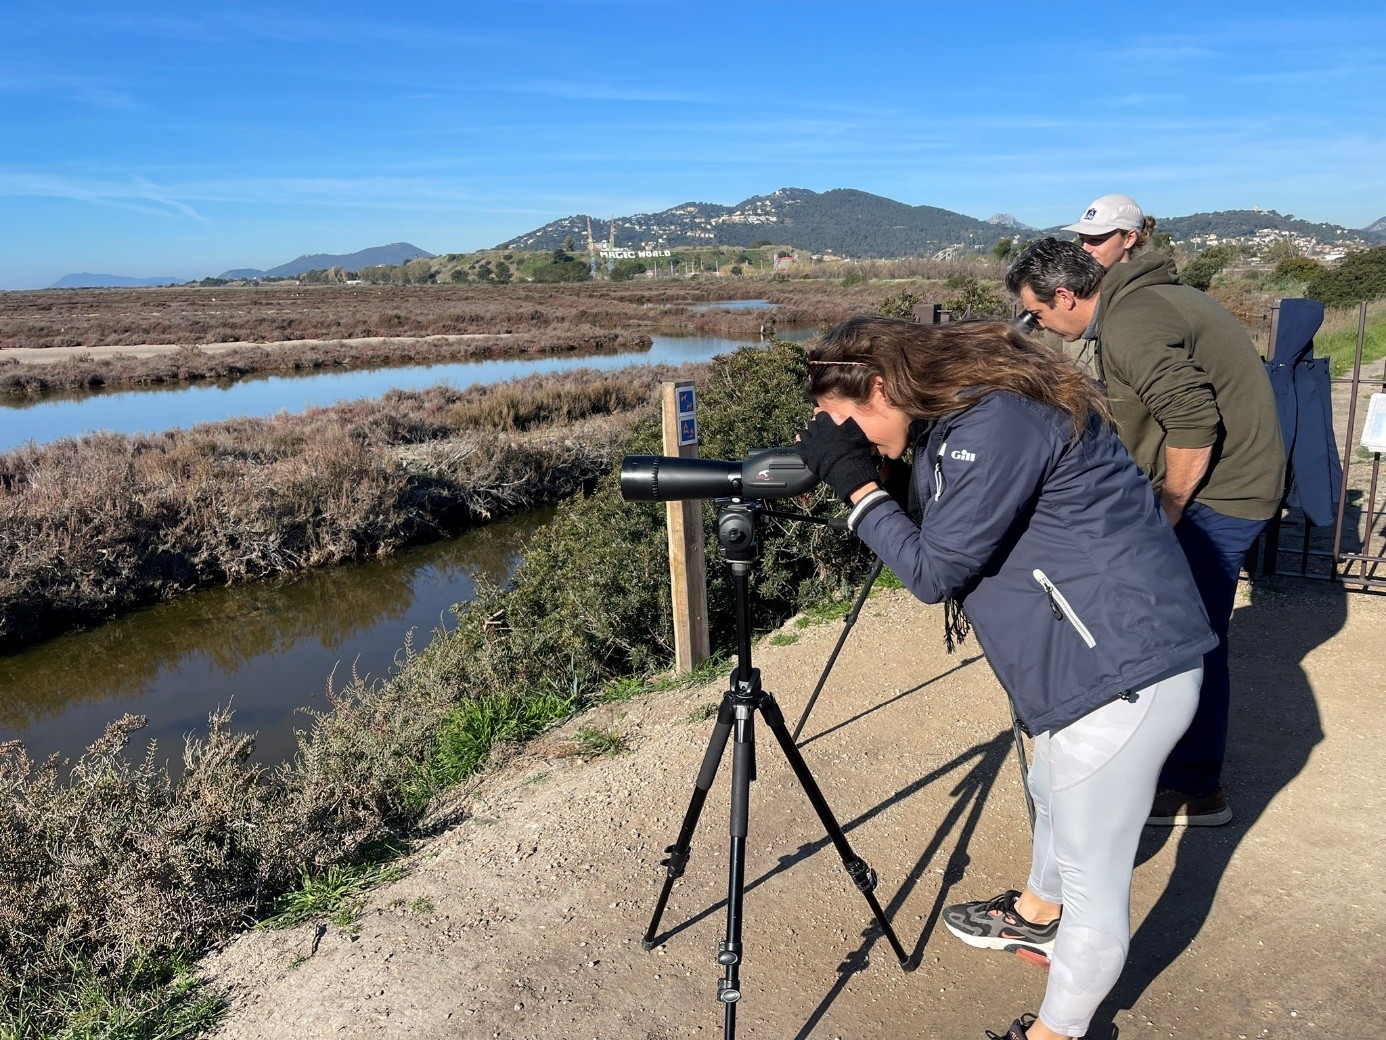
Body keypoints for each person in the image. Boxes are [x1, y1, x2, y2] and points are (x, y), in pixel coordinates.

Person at [794, 316, 1216, 1040]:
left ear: (880, 387)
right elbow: (955, 513)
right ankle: (1037, 916)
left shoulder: (998, 422)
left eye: (847, 424)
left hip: (1120, 669)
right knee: (1050, 790)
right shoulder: (965, 417)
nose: (847, 440)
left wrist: (858, 487)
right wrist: (881, 472)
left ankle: (1056, 1032)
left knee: (1093, 880)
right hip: (1086, 660)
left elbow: (933, 570)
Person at [1005, 238, 1285, 827]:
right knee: (1186, 633)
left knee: (1189, 642)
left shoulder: (1131, 322)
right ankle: (1179, 769)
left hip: (1220, 496)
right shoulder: (1141, 302)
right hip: (1234, 484)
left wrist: (1170, 508)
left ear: (1065, 295)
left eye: (1037, 312)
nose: (1038, 324)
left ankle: (1195, 788)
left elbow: (1193, 422)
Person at [1062, 193, 1158, 269]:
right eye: (1082, 240)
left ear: (1129, 239)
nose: (1085, 249)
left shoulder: (1144, 287)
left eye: (1096, 240)